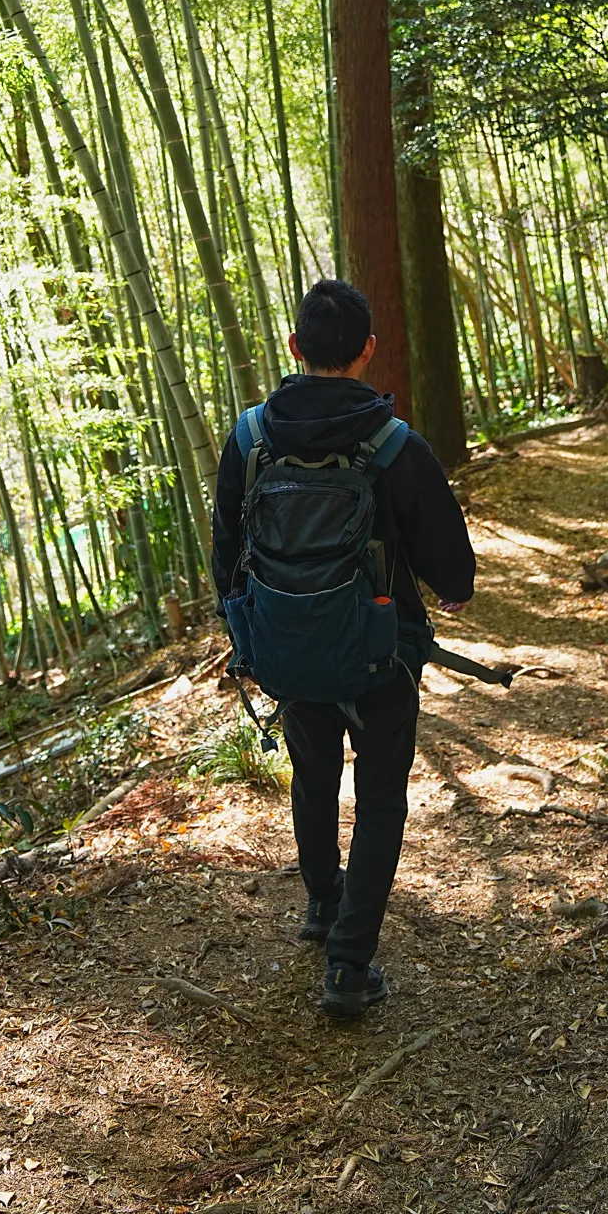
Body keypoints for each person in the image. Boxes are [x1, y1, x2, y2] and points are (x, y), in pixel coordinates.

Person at [212, 278, 476, 1019]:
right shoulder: (393, 445)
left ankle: (325, 906)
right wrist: (452, 591)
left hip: (289, 651)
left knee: (313, 775)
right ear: (366, 351)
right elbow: (452, 567)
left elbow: (225, 553)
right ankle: (348, 965)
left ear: (294, 349)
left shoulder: (249, 439)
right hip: (379, 655)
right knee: (381, 797)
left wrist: (250, 635)